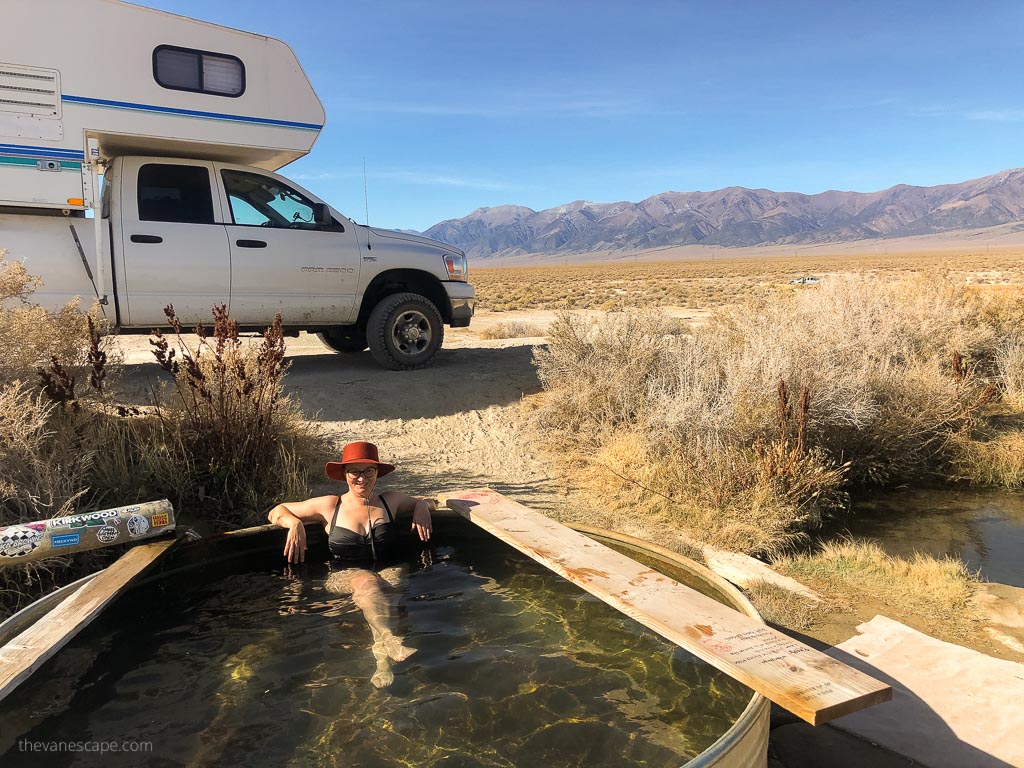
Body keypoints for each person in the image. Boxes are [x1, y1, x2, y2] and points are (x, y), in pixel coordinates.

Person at [266, 441, 433, 687]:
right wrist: (294, 524)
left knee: (390, 589)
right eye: (355, 471)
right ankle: (390, 638)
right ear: (345, 474)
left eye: (368, 471)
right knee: (367, 583)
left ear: (377, 473)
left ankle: (382, 663)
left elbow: (429, 501)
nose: (361, 478)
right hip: (345, 573)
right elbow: (275, 511)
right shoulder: (330, 505)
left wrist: (421, 506)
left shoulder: (390, 501)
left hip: (389, 568)